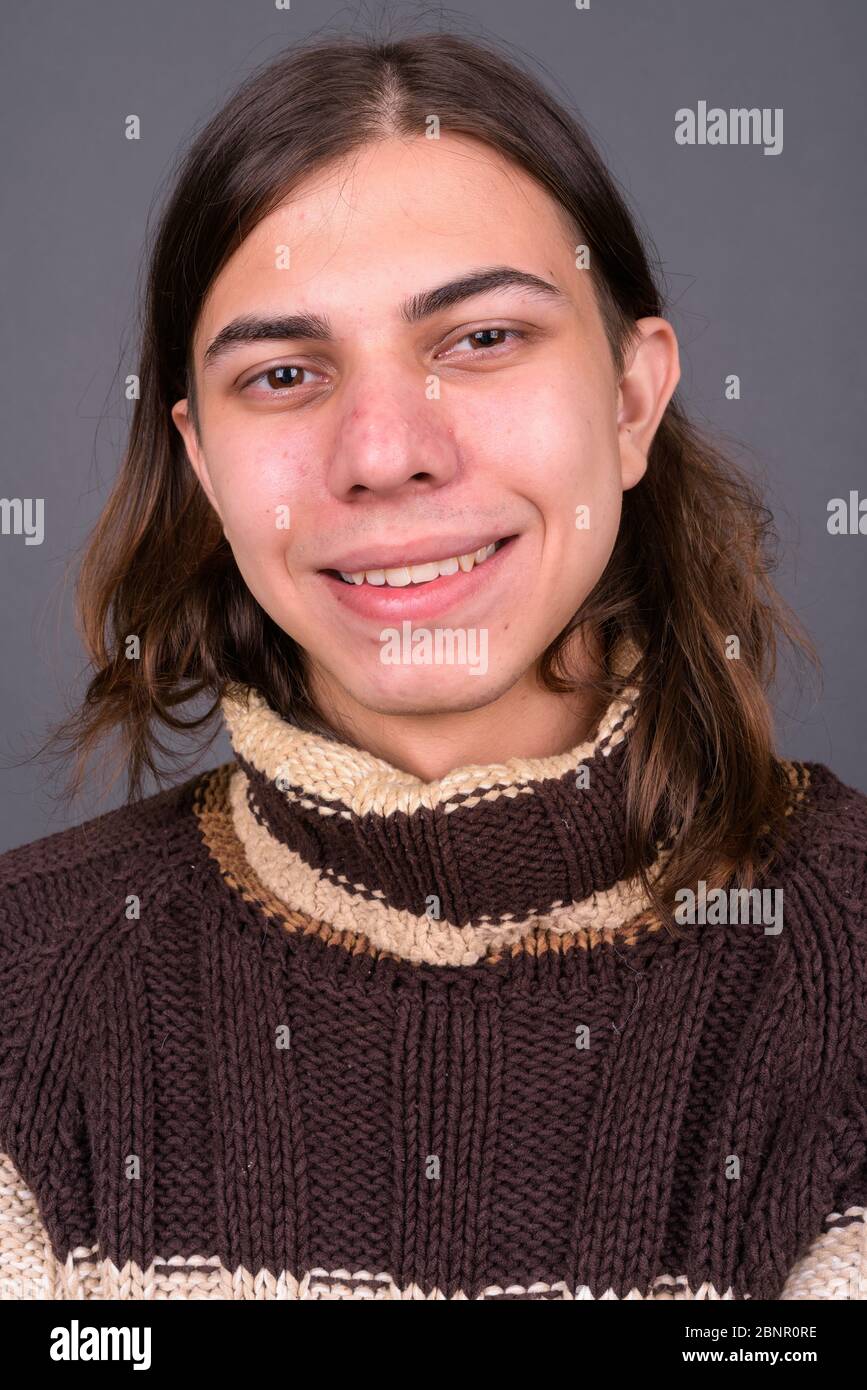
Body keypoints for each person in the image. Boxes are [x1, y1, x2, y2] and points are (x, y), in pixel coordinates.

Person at [0, 28, 864, 1302]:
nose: (385, 451)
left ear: (633, 401)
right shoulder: (24, 990)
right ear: (204, 466)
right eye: (283, 373)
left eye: (482, 338)